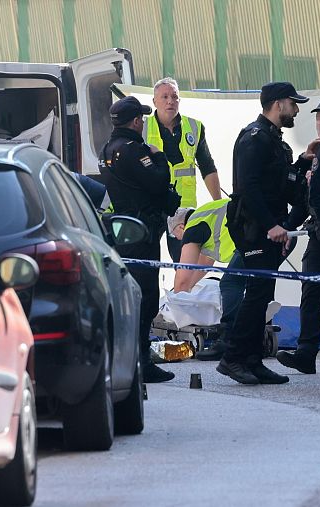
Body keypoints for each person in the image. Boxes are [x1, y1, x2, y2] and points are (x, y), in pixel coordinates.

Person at [218, 82, 310, 385]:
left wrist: (304, 161)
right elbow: (248, 188)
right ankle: (232, 357)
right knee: (256, 293)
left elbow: (282, 184)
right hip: (253, 227)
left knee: (263, 294)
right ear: (277, 103)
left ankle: (253, 360)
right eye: (293, 103)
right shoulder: (254, 139)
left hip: (270, 227)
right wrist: (271, 225)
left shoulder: (276, 143)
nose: (296, 109)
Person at [99, 96, 180, 383]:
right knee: (145, 296)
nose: (143, 122)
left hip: (125, 229)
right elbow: (157, 181)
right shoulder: (134, 150)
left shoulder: (108, 148)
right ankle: (141, 362)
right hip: (142, 231)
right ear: (135, 121)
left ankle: (131, 358)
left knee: (131, 294)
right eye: (141, 119)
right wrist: (159, 156)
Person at [275, 97, 320, 375]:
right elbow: (303, 199)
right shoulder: (315, 151)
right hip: (319, 232)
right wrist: (304, 161)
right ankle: (306, 353)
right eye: (319, 117)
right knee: (311, 292)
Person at [147, 77, 223, 261]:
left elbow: (207, 167)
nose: (170, 101)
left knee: (184, 262)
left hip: (182, 208)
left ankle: (180, 290)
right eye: (164, 97)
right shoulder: (143, 126)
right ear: (154, 101)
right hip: (152, 205)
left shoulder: (194, 127)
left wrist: (218, 205)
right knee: (147, 260)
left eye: (174, 96)